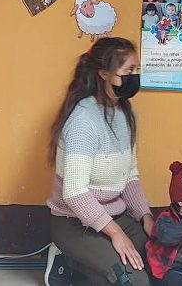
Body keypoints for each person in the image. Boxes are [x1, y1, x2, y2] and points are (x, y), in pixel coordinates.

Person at [44, 38, 153, 286]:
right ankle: (69, 257)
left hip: (114, 216)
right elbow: (75, 193)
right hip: (74, 223)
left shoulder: (126, 114)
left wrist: (145, 215)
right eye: (128, 70)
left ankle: (78, 265)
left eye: (137, 69)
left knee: (162, 264)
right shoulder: (83, 121)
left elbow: (130, 176)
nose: (135, 76)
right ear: (104, 74)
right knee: (134, 282)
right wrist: (116, 234)